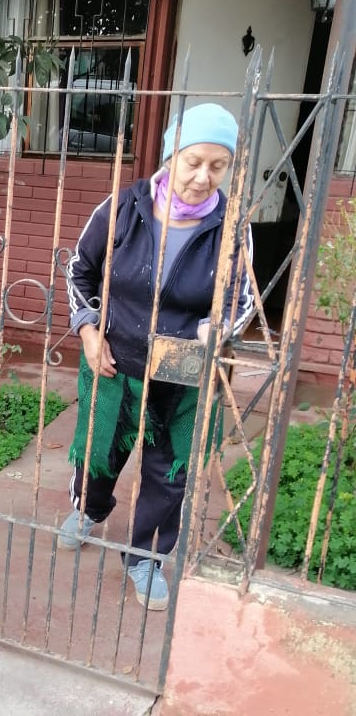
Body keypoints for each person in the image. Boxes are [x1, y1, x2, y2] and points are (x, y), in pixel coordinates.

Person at [60, 102, 254, 609]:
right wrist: (87, 331)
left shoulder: (233, 226)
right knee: (99, 452)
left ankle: (145, 557)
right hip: (114, 355)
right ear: (171, 155)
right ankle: (90, 509)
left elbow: (243, 299)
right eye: (193, 161)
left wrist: (213, 333)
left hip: (184, 367)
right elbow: (79, 268)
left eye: (217, 165)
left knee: (170, 470)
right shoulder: (124, 207)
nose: (202, 176)